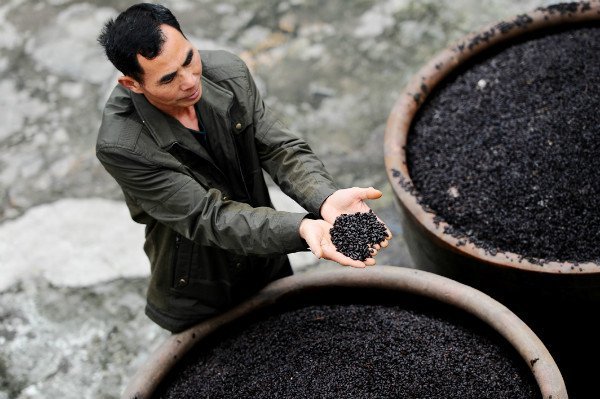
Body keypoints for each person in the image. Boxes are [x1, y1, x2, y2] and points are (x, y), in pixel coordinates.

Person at [96, 3, 391, 332]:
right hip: (199, 282)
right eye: (169, 79)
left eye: (189, 58)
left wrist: (324, 199)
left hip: (265, 255)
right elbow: (210, 218)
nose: (190, 80)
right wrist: (302, 229)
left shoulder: (227, 72)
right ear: (132, 84)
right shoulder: (122, 145)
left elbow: (278, 148)